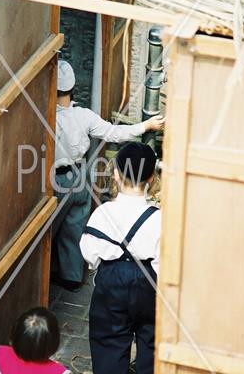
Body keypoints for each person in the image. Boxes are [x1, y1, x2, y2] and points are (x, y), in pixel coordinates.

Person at [52, 60, 164, 292]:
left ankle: (43, 273)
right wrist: (146, 126)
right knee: (74, 226)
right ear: (72, 88)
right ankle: (71, 277)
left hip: (57, 179)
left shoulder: (50, 117)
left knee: (48, 229)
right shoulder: (84, 116)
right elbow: (115, 133)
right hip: (81, 176)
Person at [80, 142, 161, 374]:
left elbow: (88, 250)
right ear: (151, 178)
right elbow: (165, 258)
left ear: (115, 174)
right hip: (148, 279)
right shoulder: (160, 218)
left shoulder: (102, 214)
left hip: (112, 281)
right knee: (151, 335)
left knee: (108, 340)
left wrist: (102, 270)